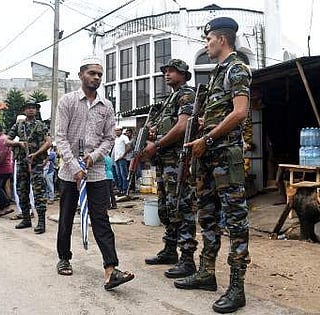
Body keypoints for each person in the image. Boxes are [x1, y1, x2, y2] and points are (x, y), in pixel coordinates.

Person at [174, 17, 252, 314]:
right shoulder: (218, 74)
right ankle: (207, 272)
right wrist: (206, 125)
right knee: (207, 216)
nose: (206, 44)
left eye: (208, 39)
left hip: (225, 157)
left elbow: (241, 112)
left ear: (221, 39)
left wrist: (207, 136)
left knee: (235, 222)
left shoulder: (236, 68)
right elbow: (223, 113)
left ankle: (237, 286)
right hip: (208, 158)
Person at [55, 55, 134, 290]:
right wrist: (74, 166)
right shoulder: (68, 101)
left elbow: (110, 138)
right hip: (70, 173)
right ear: (81, 75)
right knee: (67, 216)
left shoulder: (106, 106)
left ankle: (111, 269)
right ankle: (64, 258)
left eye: (99, 74)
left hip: (97, 171)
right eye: (92, 73)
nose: (96, 77)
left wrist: (92, 157)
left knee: (101, 218)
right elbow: (60, 137)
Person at [141, 59, 198, 279]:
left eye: (172, 71)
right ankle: (169, 249)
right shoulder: (169, 100)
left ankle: (187, 259)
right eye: (165, 71)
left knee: (181, 208)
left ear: (184, 75)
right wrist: (153, 133)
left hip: (178, 161)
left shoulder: (186, 94)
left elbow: (183, 126)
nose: (167, 74)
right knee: (166, 207)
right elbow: (167, 126)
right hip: (166, 163)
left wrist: (157, 144)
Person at [5, 101, 51, 234]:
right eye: (28, 108)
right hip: (22, 162)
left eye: (33, 108)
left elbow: (48, 142)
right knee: (22, 190)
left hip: (36, 163)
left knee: (38, 192)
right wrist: (18, 144)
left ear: (36, 111)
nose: (31, 110)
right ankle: (26, 218)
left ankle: (41, 222)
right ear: (24, 110)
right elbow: (6, 140)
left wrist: (36, 153)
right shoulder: (18, 125)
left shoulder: (41, 125)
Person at [0, 123, 14, 217]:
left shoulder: (1, 140)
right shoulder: (4, 138)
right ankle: (2, 207)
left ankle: (6, 204)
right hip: (7, 167)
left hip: (2, 168)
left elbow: (3, 154)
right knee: (1, 187)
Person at [113, 126, 131, 195]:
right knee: (118, 175)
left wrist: (123, 155)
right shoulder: (116, 138)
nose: (117, 132)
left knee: (124, 175)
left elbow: (128, 146)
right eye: (116, 130)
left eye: (118, 130)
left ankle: (125, 190)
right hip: (116, 158)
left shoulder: (124, 137)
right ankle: (120, 189)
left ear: (121, 130)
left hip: (122, 159)